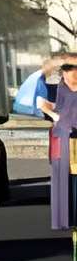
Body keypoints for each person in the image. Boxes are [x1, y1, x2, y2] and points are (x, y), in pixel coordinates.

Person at [50, 58, 77, 234]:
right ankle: (67, 219)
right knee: (66, 178)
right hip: (65, 137)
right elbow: (57, 110)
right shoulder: (60, 88)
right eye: (67, 70)